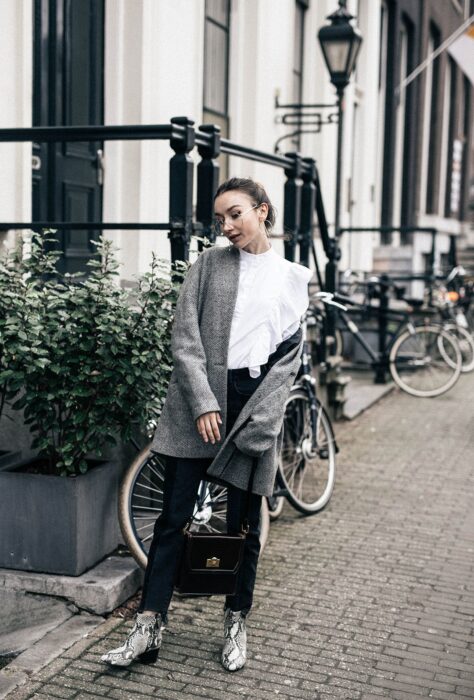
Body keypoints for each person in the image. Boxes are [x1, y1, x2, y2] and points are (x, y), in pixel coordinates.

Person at [101, 177, 313, 672]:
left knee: (243, 527)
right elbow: (184, 337)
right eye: (220, 218)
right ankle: (148, 627)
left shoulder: (290, 278)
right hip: (200, 405)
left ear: (262, 211)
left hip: (253, 403)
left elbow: (289, 359)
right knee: (173, 521)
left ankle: (236, 621)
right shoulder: (208, 266)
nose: (227, 226)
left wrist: (262, 415)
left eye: (235, 214)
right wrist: (201, 402)